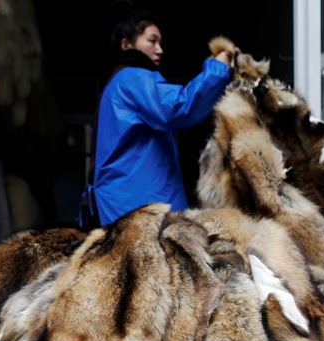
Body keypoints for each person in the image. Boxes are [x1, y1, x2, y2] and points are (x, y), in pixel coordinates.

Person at [81, 10, 232, 227]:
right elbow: (181, 107)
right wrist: (218, 68)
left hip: (126, 209)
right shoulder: (131, 78)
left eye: (160, 42)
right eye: (152, 41)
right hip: (141, 213)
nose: (159, 49)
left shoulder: (116, 83)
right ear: (126, 45)